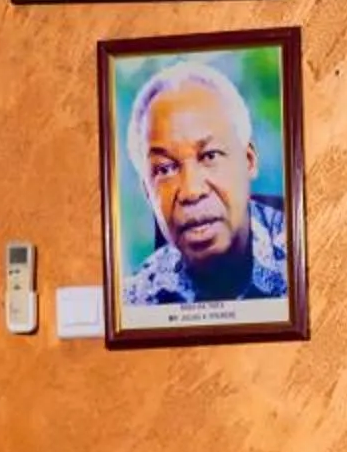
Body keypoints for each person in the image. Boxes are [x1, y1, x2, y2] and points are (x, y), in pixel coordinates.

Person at [122, 60, 288, 306]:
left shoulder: (307, 266)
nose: (192, 191)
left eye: (210, 156)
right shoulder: (136, 302)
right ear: (148, 191)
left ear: (249, 161)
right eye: (165, 169)